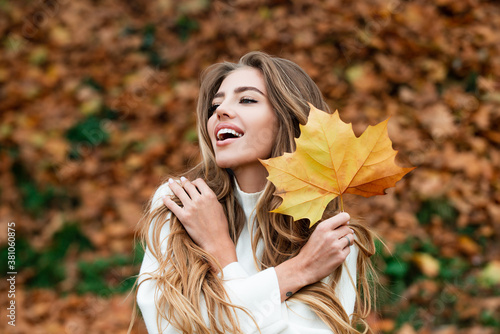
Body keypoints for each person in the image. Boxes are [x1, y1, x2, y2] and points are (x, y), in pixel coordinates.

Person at [135, 51, 377, 334]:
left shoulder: (329, 237)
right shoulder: (179, 202)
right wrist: (296, 273)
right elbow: (169, 327)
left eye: (247, 99)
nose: (220, 111)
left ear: (288, 119)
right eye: (215, 104)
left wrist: (222, 256)